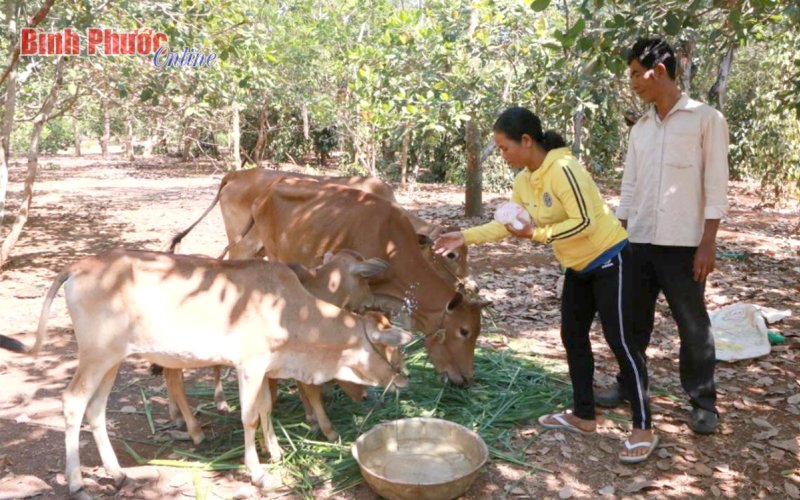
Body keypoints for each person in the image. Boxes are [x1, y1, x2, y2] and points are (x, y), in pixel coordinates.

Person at [434, 107, 657, 463]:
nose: (502, 155)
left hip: (610, 259)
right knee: (573, 336)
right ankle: (584, 415)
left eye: (505, 147)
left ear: (526, 140)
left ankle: (643, 428)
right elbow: (508, 225)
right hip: (577, 267)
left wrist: (536, 233)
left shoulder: (564, 169)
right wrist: (464, 236)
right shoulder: (525, 180)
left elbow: (583, 220)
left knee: (622, 343)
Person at [594, 38, 729, 435]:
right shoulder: (641, 128)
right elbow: (631, 184)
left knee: (692, 323)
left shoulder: (706, 120)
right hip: (639, 240)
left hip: (685, 243)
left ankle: (703, 402)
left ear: (661, 71)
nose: (633, 82)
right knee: (632, 320)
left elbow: (715, 185)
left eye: (637, 73)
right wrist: (619, 231)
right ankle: (627, 385)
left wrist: (708, 242)